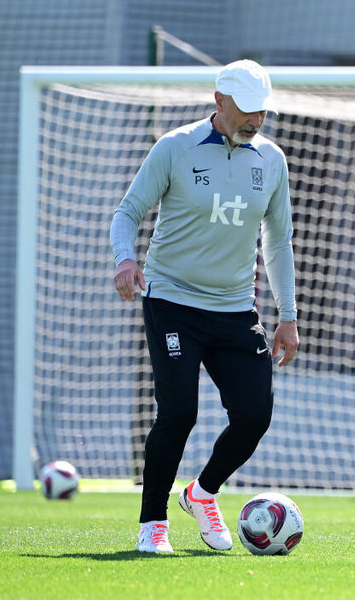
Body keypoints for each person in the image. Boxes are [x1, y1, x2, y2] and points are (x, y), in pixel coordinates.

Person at [111, 59, 300, 553]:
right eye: (245, 109)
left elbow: (278, 243)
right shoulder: (175, 147)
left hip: (236, 310)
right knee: (179, 413)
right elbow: (128, 212)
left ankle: (201, 492)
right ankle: (153, 524)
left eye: (262, 110)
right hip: (172, 301)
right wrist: (125, 260)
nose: (255, 120)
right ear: (219, 102)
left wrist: (288, 315)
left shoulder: (272, 160)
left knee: (255, 414)